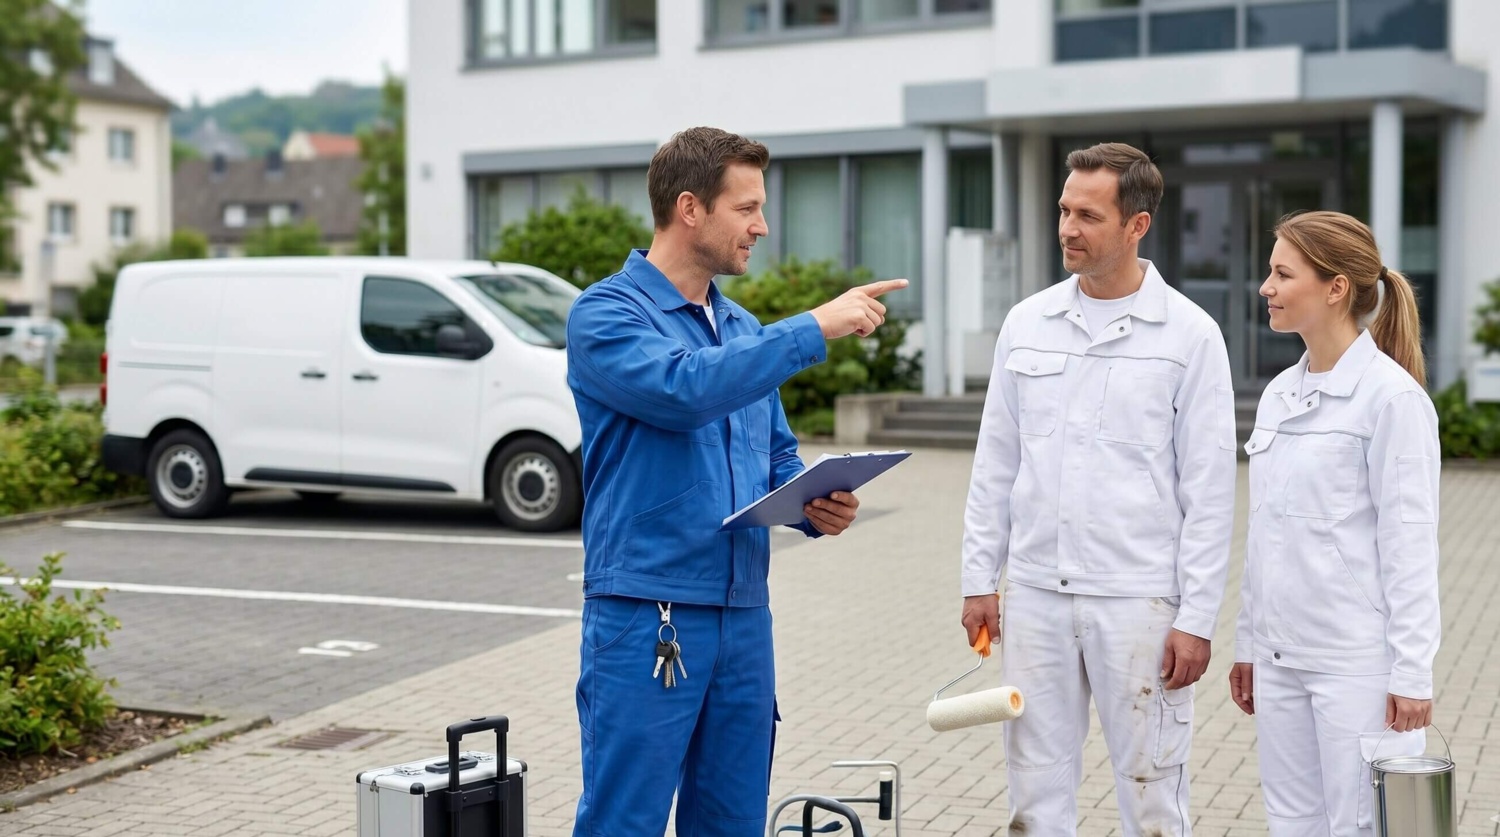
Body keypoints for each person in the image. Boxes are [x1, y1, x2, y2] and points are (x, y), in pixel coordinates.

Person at [565, 126, 906, 837]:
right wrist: (813, 326)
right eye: (747, 207)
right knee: (622, 821)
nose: (763, 225)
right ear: (690, 208)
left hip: (744, 615)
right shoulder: (605, 315)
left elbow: (773, 455)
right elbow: (684, 389)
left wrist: (816, 503)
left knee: (732, 822)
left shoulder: (741, 324)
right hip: (646, 613)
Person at [959, 142, 1237, 837]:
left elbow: (1209, 490)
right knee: (1034, 788)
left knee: (1151, 794)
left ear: (1136, 225)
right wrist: (978, 579)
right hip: (1036, 598)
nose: (1066, 227)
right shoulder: (1027, 324)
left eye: (1087, 214)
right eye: (1063, 209)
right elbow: (995, 462)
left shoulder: (1190, 336)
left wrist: (1197, 616)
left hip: (1138, 600)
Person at [1228, 210, 1440, 837]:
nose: (1265, 287)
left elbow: (1410, 547)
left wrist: (1411, 674)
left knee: (1362, 827)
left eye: (1281, 273)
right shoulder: (1278, 395)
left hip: (1357, 667)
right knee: (1292, 823)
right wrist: (1247, 643)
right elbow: (1263, 536)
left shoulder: (1393, 401)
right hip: (1280, 656)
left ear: (1336, 287)